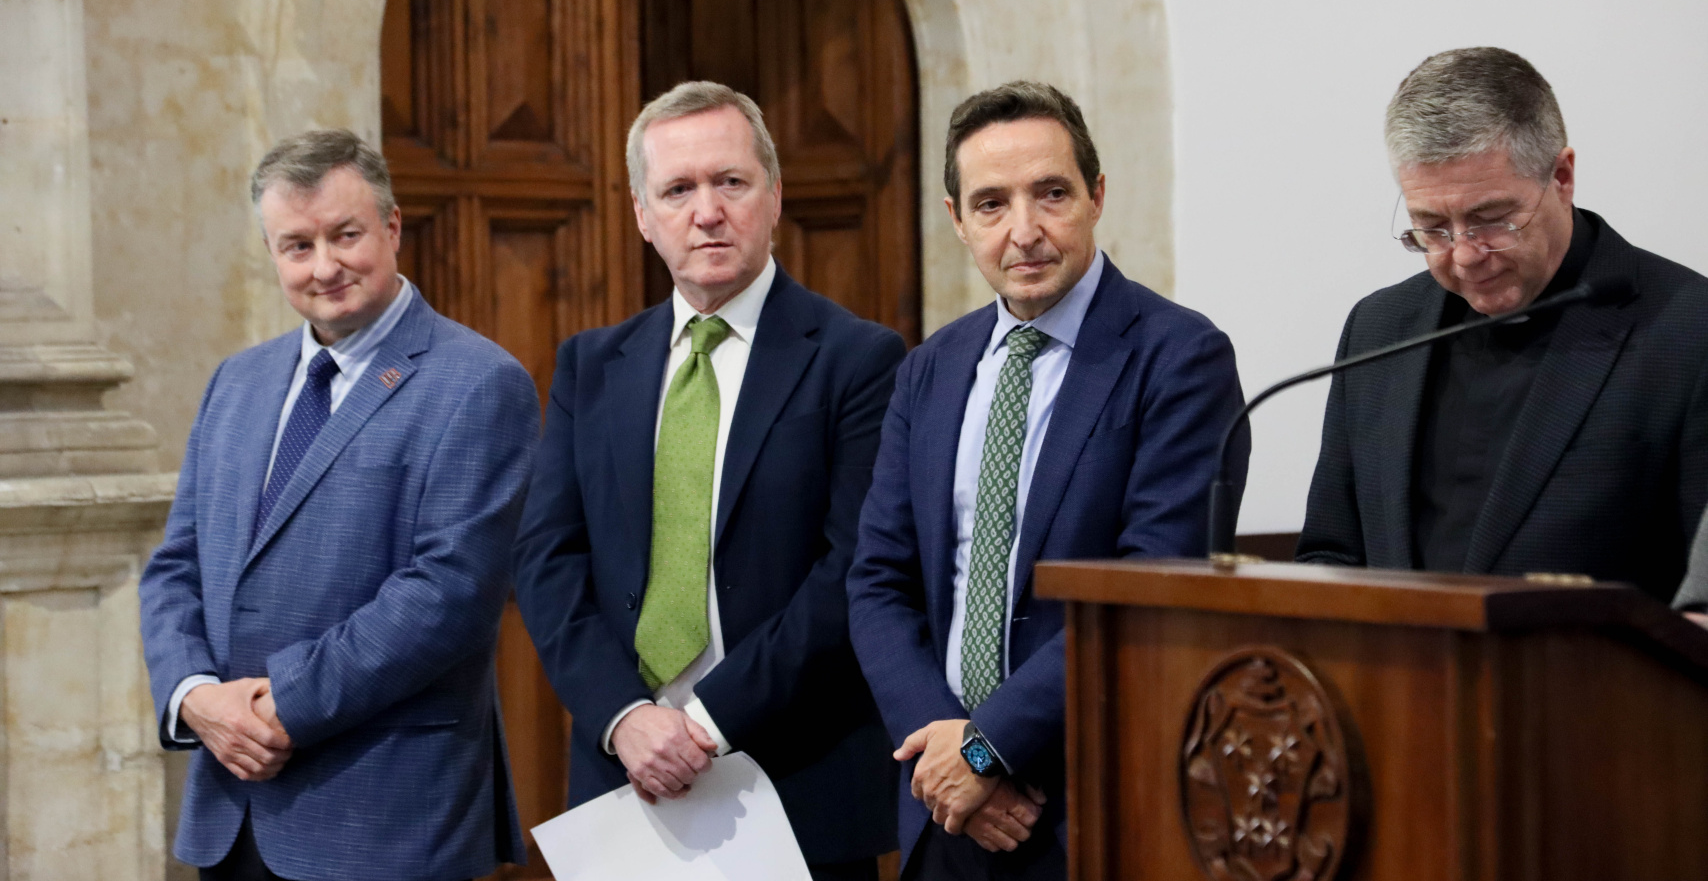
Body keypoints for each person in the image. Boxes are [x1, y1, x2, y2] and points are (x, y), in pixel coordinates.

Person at [846, 81, 1249, 879]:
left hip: (1086, 806)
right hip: (944, 811)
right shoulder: (930, 369)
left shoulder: (1180, 358)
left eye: (1052, 194)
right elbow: (878, 581)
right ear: (958, 220)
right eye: (991, 204)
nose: (1023, 231)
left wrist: (990, 749)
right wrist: (946, 751)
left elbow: (1150, 590)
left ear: (1096, 196)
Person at [511, 81, 906, 880]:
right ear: (642, 214)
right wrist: (626, 717)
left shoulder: (857, 359)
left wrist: (705, 722)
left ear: (775, 195)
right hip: (625, 785)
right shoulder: (591, 365)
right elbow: (547, 561)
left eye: (731, 182)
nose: (708, 212)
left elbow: (850, 572)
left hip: (797, 781)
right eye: (678, 190)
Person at [138, 130, 536, 881]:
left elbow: (448, 594)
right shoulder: (236, 382)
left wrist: (281, 705)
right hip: (233, 809)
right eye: (297, 245)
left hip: (386, 820)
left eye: (345, 235)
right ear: (272, 253)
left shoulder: (480, 383)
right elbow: (176, 565)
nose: (324, 266)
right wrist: (193, 697)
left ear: (391, 227)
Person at [1298, 47, 1708, 601]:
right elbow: (1333, 553)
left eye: (1491, 220)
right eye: (1432, 228)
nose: (1465, 255)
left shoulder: (1687, 329)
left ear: (1561, 177)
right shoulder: (1381, 329)